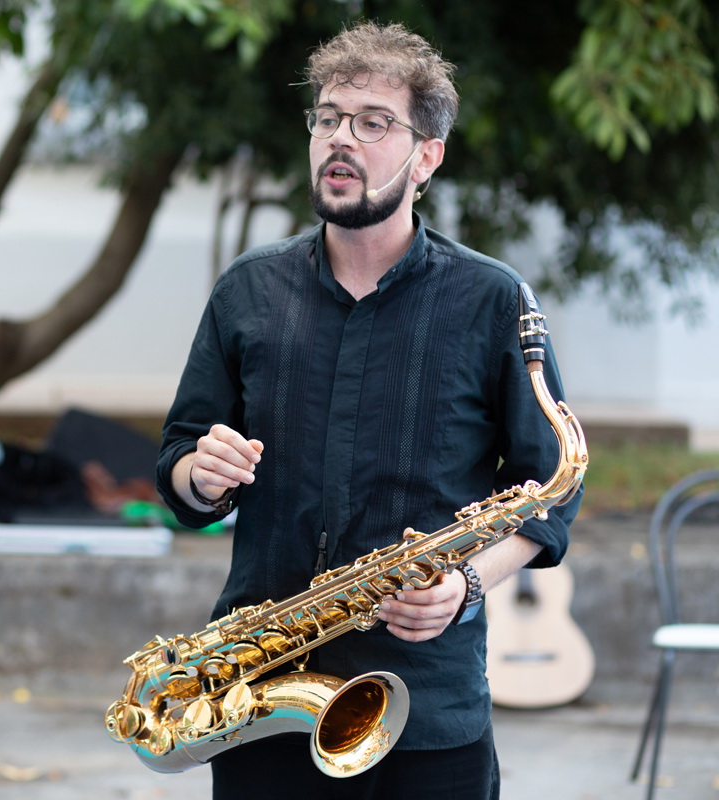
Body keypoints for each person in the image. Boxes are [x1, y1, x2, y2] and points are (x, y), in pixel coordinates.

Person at [155, 21, 581, 800]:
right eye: (327, 117)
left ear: (428, 156)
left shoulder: (495, 299)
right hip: (259, 695)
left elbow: (550, 486)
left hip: (427, 705)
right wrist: (198, 473)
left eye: (373, 122)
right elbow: (178, 464)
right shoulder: (246, 291)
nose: (339, 139)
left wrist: (468, 586)